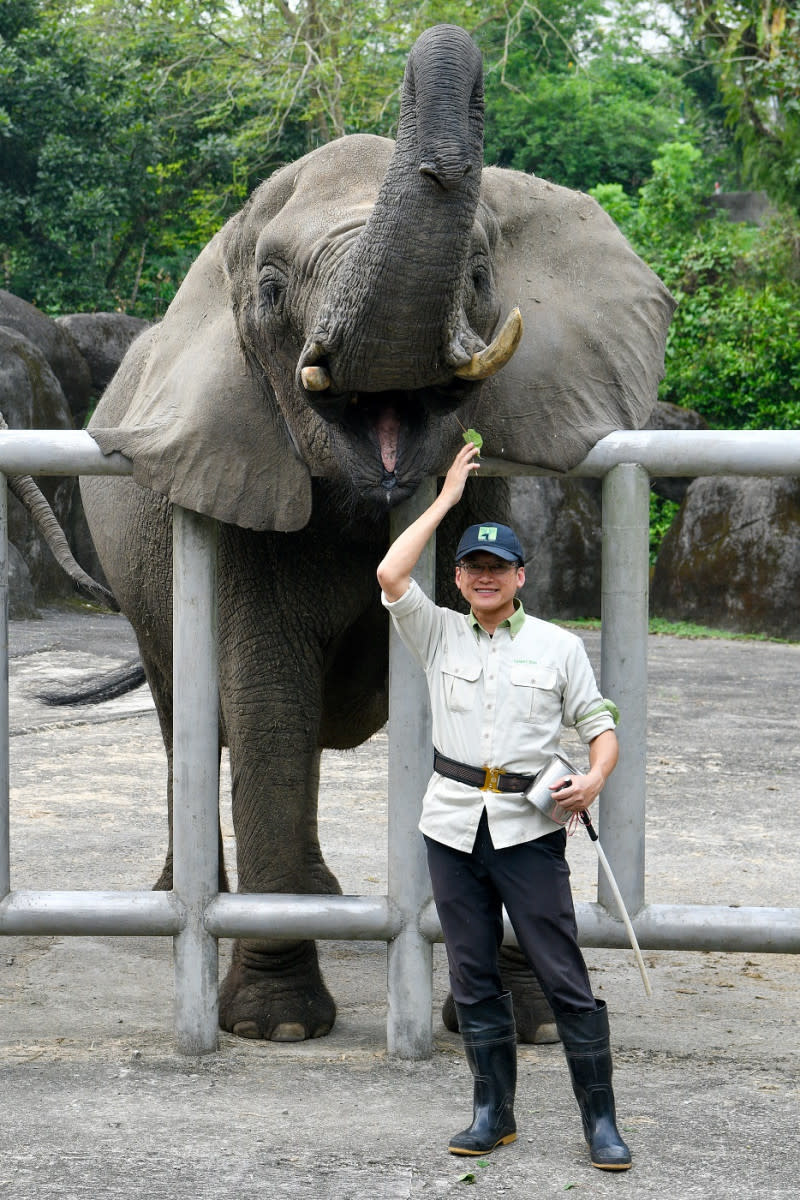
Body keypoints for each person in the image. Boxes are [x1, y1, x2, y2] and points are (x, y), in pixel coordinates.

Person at [376, 441, 632, 1172]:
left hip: (530, 828)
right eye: (472, 568)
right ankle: (494, 1112)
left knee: (560, 973)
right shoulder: (437, 633)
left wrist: (595, 779)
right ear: (457, 579)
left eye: (497, 569)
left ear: (520, 577)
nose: (484, 579)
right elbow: (392, 572)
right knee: (473, 973)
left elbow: (601, 727)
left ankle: (601, 1121)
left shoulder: (557, 648)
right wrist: (447, 500)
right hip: (452, 827)